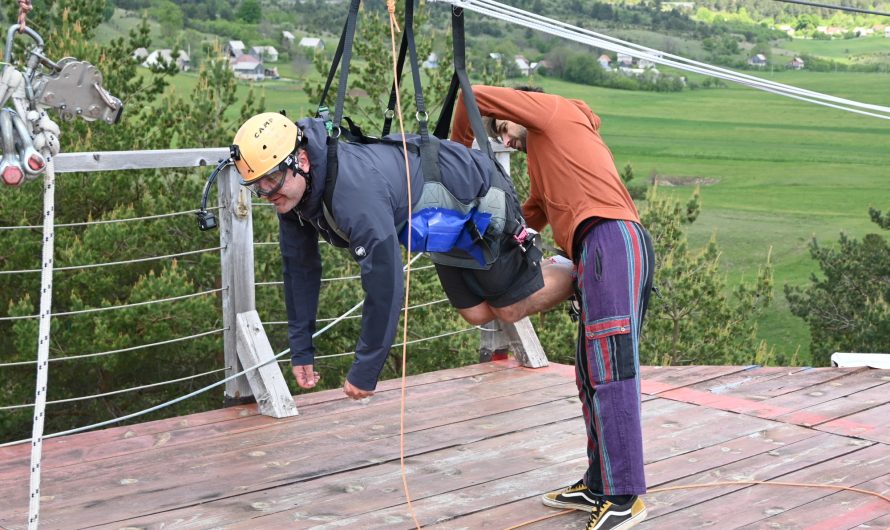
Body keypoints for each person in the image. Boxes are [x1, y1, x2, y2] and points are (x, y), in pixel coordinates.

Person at [228, 112, 574, 401]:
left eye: (270, 181)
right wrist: (301, 348)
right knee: (478, 313)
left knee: (509, 308)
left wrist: (366, 370)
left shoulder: (353, 197)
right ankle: (546, 271)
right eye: (257, 185)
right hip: (440, 222)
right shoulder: (294, 196)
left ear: (301, 161)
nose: (265, 194)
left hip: (479, 195)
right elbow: (299, 270)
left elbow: (386, 284)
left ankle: (573, 269)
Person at [451, 86, 655, 530]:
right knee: (590, 372)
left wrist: (456, 156)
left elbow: (472, 95)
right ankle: (600, 483)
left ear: (523, 106)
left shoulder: (554, 111)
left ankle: (624, 497)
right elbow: (524, 221)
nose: (508, 141)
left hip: (611, 239)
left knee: (611, 370)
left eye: (505, 129)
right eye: (501, 137)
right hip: (595, 250)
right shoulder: (546, 164)